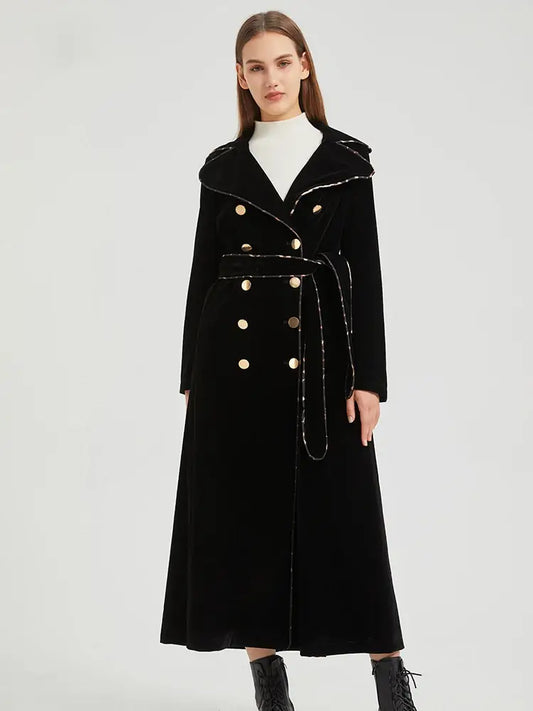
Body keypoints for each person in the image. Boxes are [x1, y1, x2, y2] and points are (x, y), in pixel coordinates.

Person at [160, 10, 422, 711]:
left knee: (349, 525)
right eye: (256, 66)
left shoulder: (345, 162)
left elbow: (365, 274)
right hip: (232, 368)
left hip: (324, 362)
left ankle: (392, 688)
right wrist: (192, 378)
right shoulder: (222, 168)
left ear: (304, 65)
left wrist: (370, 380)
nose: (271, 77)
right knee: (245, 526)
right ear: (240, 78)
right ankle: (271, 695)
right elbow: (202, 274)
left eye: (282, 62)